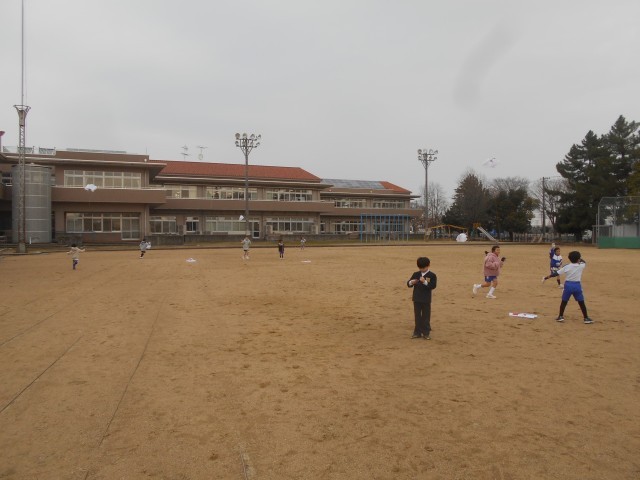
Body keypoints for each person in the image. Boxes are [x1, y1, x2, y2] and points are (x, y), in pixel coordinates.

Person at [551, 250, 593, 324]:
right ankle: (586, 318)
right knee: (581, 302)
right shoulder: (581, 266)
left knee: (564, 301)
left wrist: (548, 276)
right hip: (577, 285)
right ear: (578, 259)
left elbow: (556, 273)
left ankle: (560, 316)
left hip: (568, 285)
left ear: (569, 258)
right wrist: (579, 259)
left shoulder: (567, 266)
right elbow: (584, 261)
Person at [406, 257, 437, 340]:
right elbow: (408, 284)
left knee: (426, 317)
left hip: (426, 299)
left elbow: (433, 286)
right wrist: (411, 282)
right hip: (416, 299)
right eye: (420, 268)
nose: (422, 270)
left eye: (424, 268)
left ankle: (426, 333)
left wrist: (425, 282)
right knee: (417, 316)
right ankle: (417, 332)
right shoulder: (416, 274)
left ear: (428, 265)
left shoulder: (432, 275)